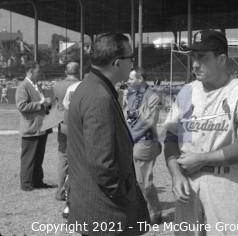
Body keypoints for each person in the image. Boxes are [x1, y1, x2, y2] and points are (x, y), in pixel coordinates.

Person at [163, 30, 238, 236]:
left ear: (221, 59)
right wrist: (175, 175)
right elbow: (171, 138)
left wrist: (202, 159)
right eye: (193, 56)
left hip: (227, 183)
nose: (194, 63)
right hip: (188, 184)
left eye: (202, 57)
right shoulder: (187, 92)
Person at [67, 33, 150, 236]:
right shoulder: (99, 96)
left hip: (95, 205)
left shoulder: (89, 87)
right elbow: (102, 162)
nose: (132, 64)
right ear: (116, 63)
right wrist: (123, 194)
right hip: (106, 212)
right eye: (130, 58)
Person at [125, 67, 162, 225]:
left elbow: (148, 122)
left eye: (131, 79)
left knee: (144, 182)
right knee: (132, 180)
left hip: (144, 143)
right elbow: (126, 116)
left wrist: (128, 138)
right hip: (131, 141)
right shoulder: (130, 95)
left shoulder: (152, 97)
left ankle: (155, 212)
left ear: (140, 79)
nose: (128, 81)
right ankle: (140, 210)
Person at [15, 62, 53, 191]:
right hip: (31, 128)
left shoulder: (37, 85)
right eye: (38, 71)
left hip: (41, 127)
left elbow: (40, 105)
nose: (40, 74)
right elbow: (22, 106)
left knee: (38, 157)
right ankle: (26, 183)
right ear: (30, 72)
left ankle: (37, 181)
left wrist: (47, 105)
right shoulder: (23, 86)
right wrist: (41, 103)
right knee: (28, 158)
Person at [52, 62, 80, 201]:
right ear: (78, 71)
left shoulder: (57, 85)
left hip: (62, 124)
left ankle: (61, 190)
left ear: (65, 71)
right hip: (77, 125)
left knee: (63, 157)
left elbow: (56, 105)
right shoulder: (82, 85)